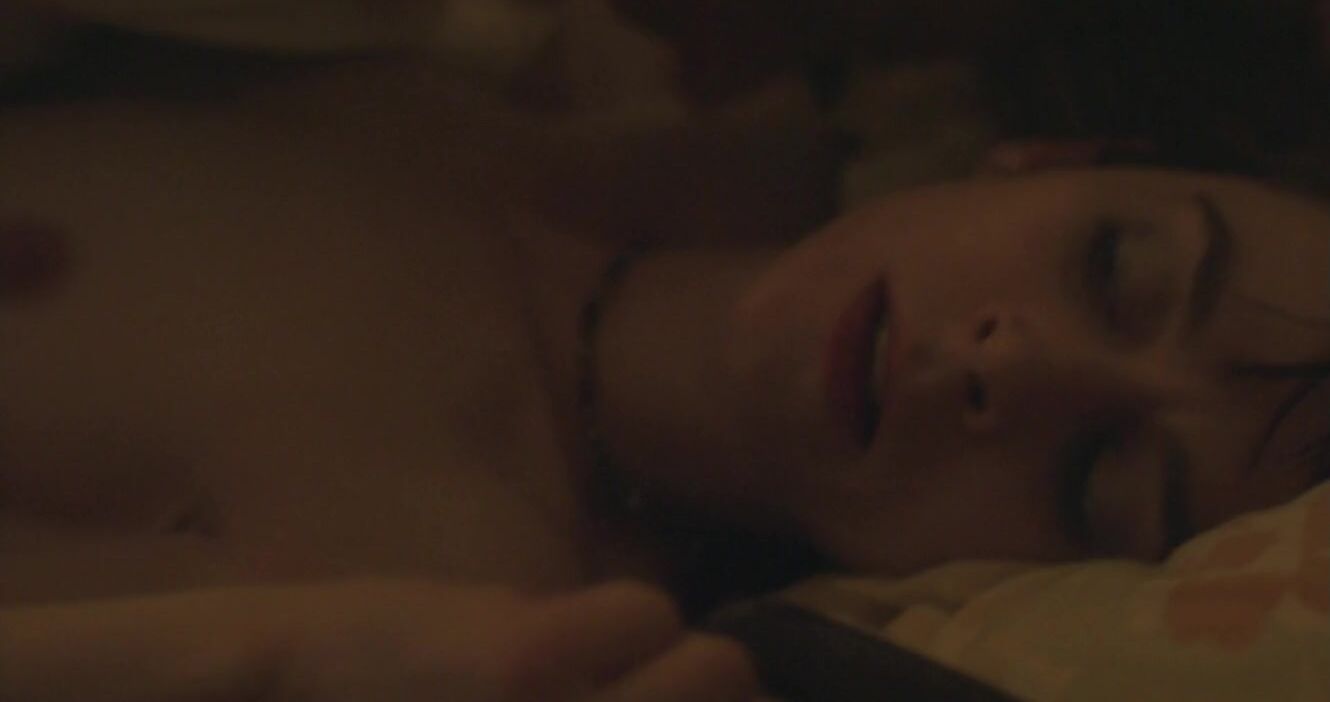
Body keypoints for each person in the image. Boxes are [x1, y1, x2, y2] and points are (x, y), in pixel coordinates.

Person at [2, 6, 1328, 702]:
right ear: (1046, 160)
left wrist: (261, 663)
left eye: (1095, 480)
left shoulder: (448, 597)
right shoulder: (607, 65)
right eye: (1117, 270)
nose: (1012, 365)